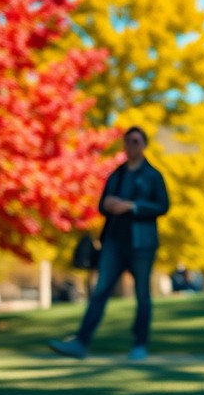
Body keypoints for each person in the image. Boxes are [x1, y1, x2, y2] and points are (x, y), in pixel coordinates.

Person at [50, 126, 170, 361]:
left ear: (144, 145)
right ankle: (81, 342)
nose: (131, 146)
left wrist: (132, 206)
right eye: (127, 142)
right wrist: (109, 204)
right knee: (100, 291)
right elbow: (101, 205)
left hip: (142, 245)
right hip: (114, 242)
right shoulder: (117, 174)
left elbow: (163, 206)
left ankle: (140, 345)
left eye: (136, 141)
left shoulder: (153, 176)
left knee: (142, 294)